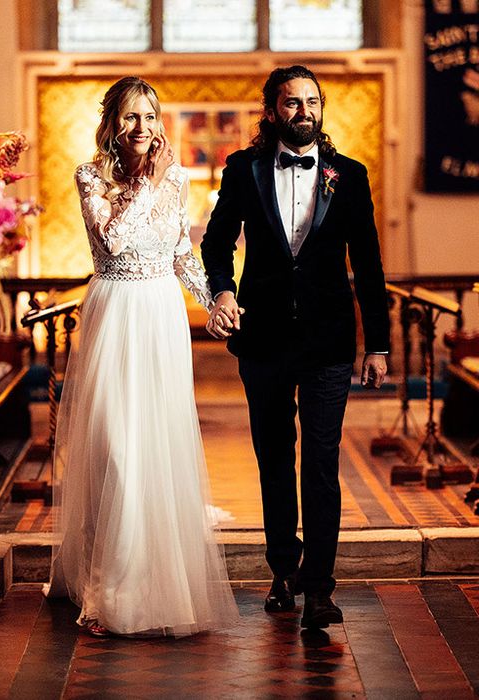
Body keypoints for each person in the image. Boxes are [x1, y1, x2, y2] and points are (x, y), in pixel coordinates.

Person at [202, 65, 390, 629]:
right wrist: (222, 291)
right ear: (272, 110)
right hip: (262, 341)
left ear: (321, 107)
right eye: (291, 102)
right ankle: (283, 572)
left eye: (311, 101)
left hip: (329, 342)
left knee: (323, 461)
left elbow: (370, 266)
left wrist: (376, 345)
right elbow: (215, 242)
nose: (303, 111)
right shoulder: (243, 169)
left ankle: (320, 589)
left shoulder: (350, 176)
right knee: (274, 460)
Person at [49, 76, 239, 637]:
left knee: (156, 446)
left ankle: (155, 585)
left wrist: (214, 303)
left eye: (151, 117)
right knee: (114, 448)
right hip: (114, 311)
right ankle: (106, 585)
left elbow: (181, 250)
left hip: (159, 315)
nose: (143, 128)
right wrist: (145, 184)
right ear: (112, 125)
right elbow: (112, 241)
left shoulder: (177, 181)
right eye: (131, 117)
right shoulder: (92, 177)